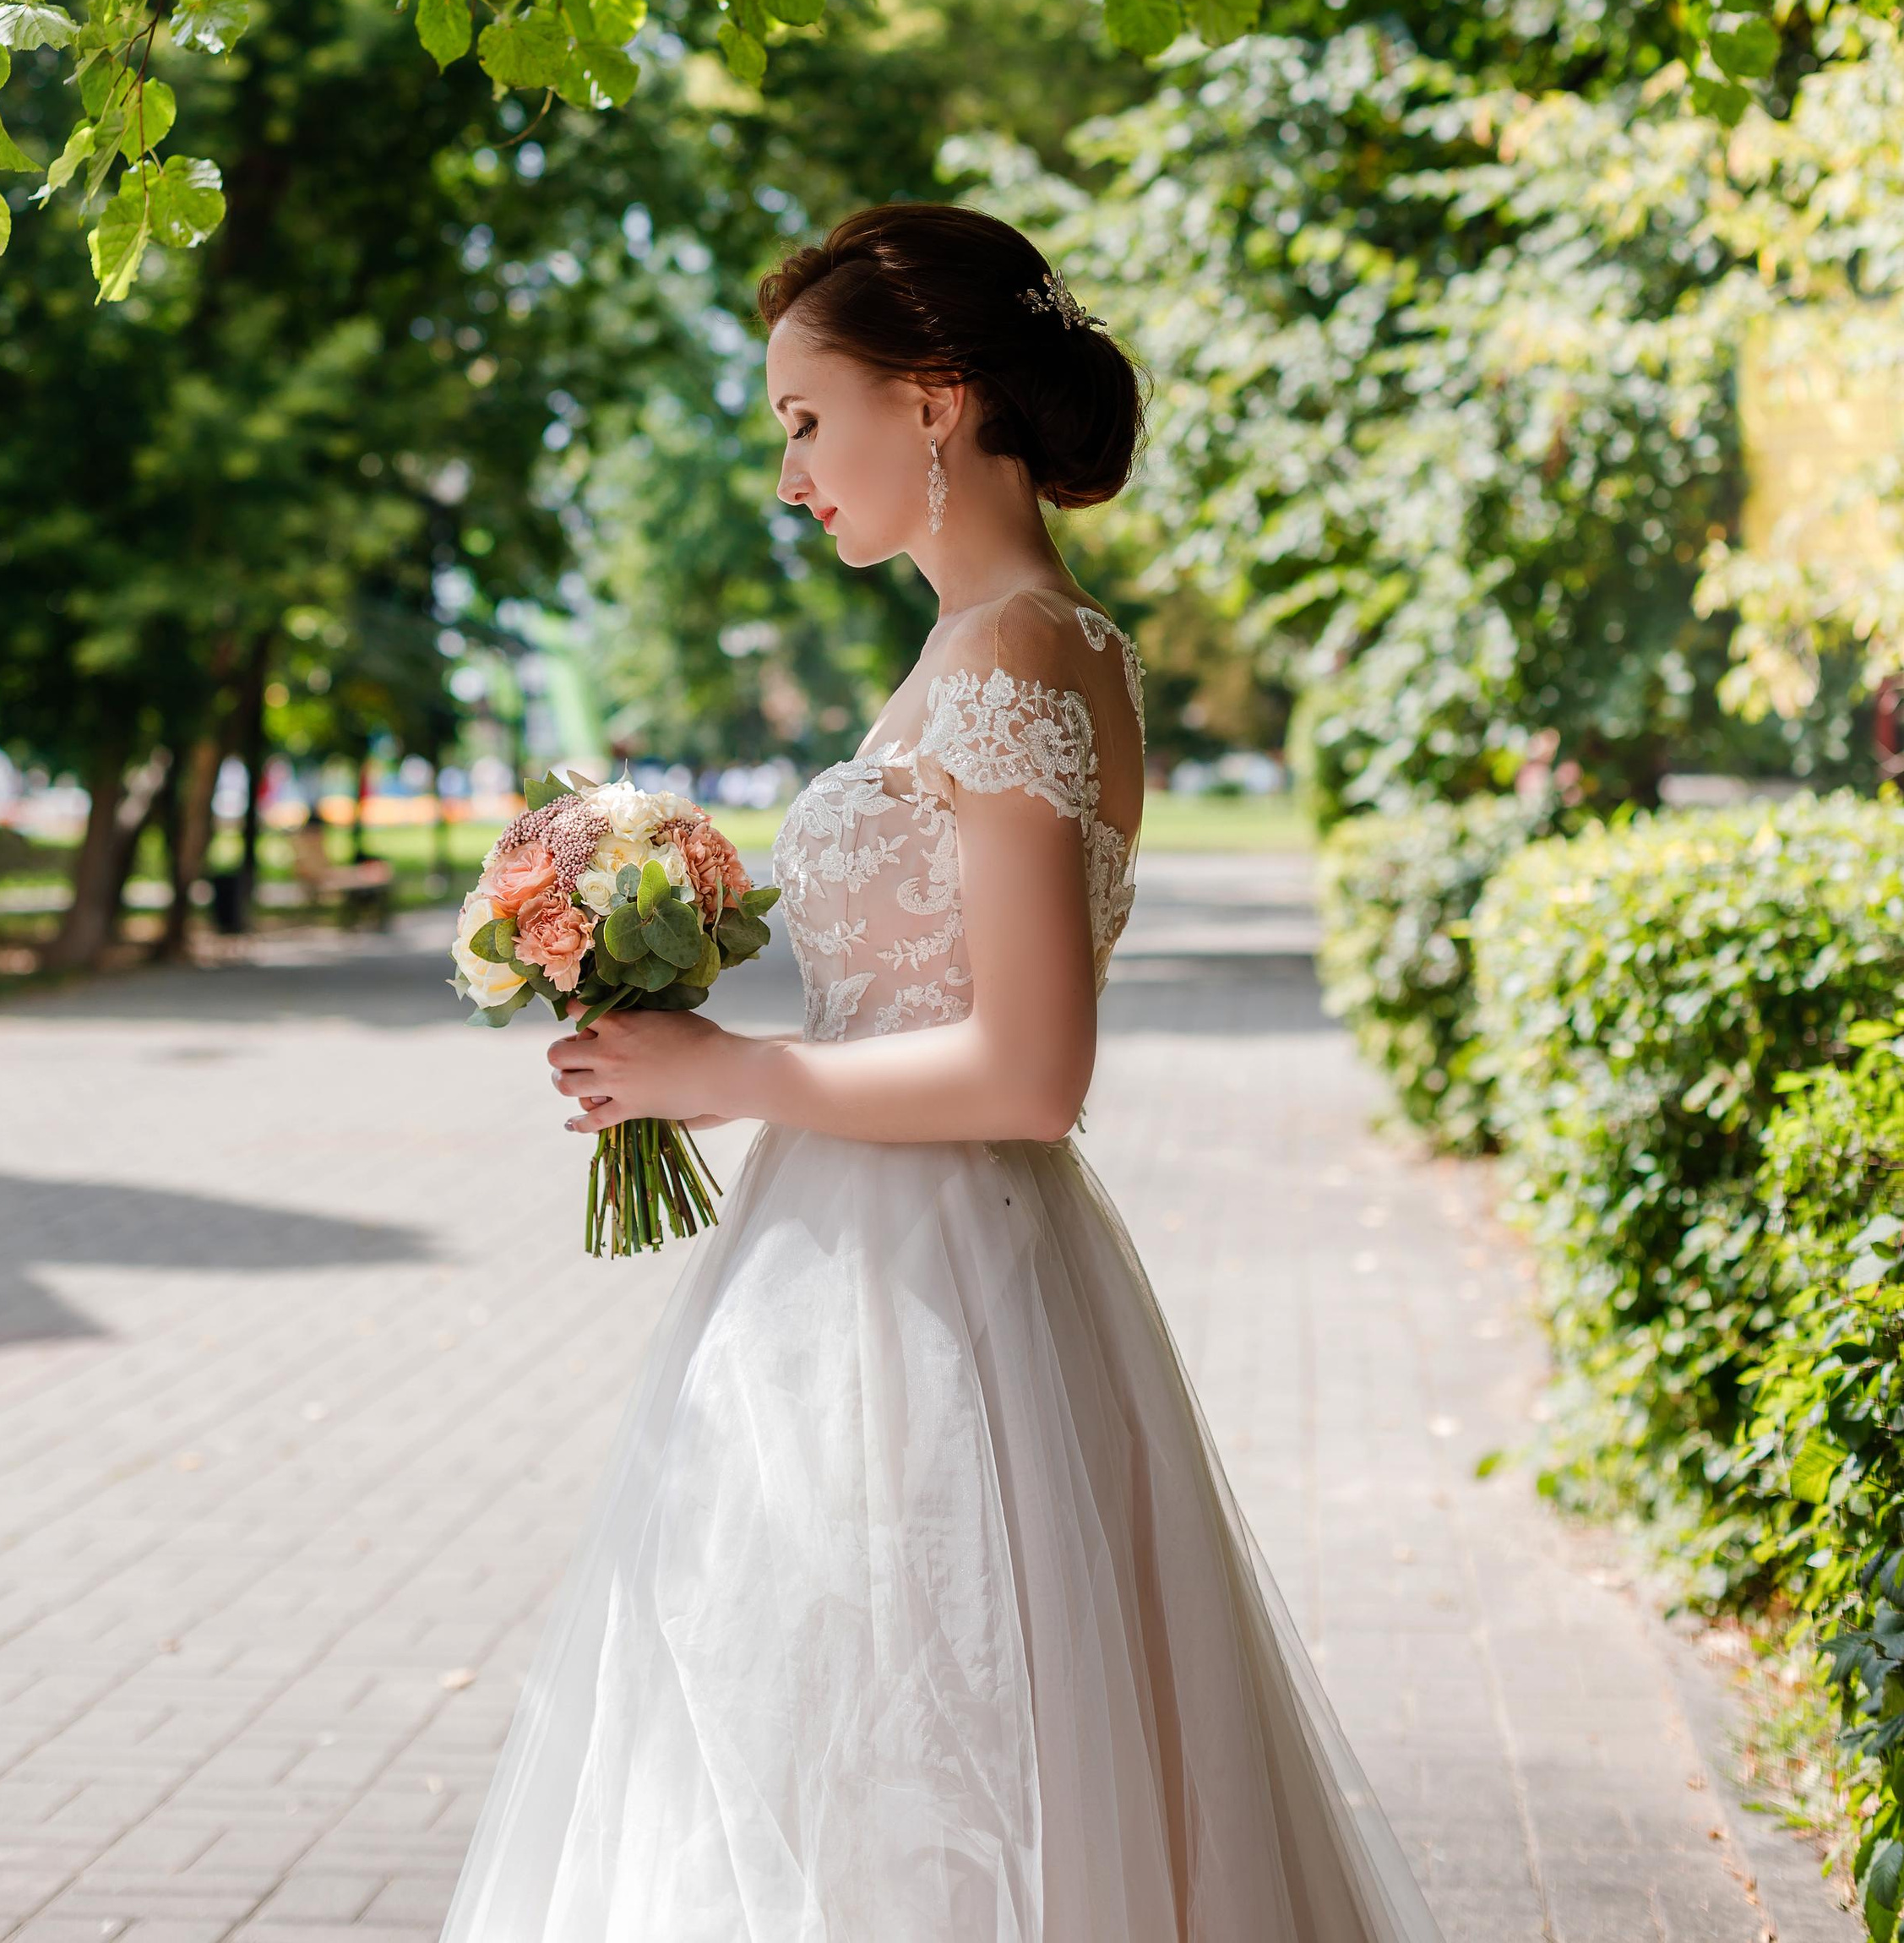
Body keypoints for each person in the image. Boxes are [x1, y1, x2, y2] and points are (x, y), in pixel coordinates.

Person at [440, 204, 1444, 1943]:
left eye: (802, 420)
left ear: (934, 399)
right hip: (871, 1263)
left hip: (935, 1298)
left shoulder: (1010, 659)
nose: (786, 474)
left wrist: (725, 1072)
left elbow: (1031, 1072)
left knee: (918, 1764)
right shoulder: (985, 650)